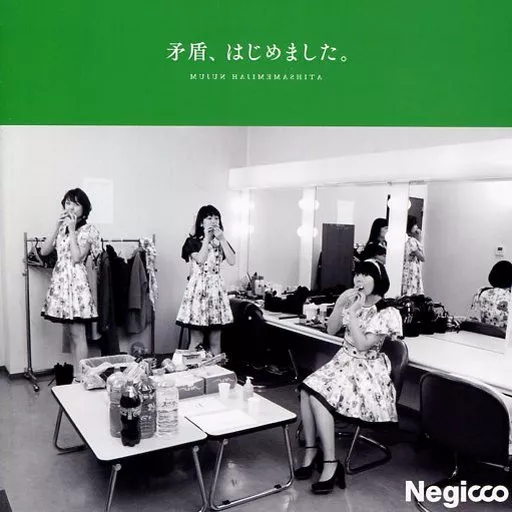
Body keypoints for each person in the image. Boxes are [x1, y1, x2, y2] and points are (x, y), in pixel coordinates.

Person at [295, 259, 402, 494]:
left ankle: (331, 464)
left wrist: (352, 313)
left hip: (368, 371)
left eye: (366, 275)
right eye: (357, 274)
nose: (359, 279)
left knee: (318, 398)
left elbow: (363, 345)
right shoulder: (353, 302)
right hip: (344, 362)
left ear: (379, 280)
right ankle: (311, 451)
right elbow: (331, 329)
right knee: (305, 389)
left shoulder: (387, 312)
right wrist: (340, 304)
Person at [41, 188, 101, 378]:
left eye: (76, 204)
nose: (71, 207)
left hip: (76, 285)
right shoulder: (61, 229)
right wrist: (56, 227)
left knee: (78, 334)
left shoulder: (89, 230)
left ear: (84, 209)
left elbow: (76, 257)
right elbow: (44, 252)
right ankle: (77, 376)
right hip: (61, 285)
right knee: (70, 334)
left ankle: (81, 378)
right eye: (68, 203)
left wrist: (73, 231)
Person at [176, 205, 236, 356]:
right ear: (201, 223)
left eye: (216, 218)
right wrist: (206, 239)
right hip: (199, 290)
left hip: (216, 292)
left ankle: (215, 367)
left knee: (216, 339)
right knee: (196, 339)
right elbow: (201, 259)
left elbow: (232, 260)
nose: (213, 221)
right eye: (209, 218)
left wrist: (222, 239)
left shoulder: (220, 242)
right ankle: (192, 368)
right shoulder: (192, 241)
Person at [469, 260, 512, 329]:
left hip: (484, 333)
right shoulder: (509, 296)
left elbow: (473, 317)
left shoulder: (481, 292)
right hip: (505, 335)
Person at [401, 215, 425, 295]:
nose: (417, 227)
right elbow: (422, 257)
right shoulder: (412, 241)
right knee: (412, 289)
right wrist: (419, 239)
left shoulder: (404, 239)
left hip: (405, 267)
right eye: (415, 224)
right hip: (412, 268)